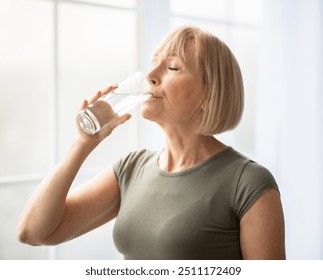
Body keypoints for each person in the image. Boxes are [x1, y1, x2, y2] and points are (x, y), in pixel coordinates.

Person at [17, 26, 285, 260]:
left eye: (172, 67)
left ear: (208, 94)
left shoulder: (248, 182)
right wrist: (83, 144)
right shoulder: (131, 168)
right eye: (153, 63)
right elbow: (34, 232)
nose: (150, 76)